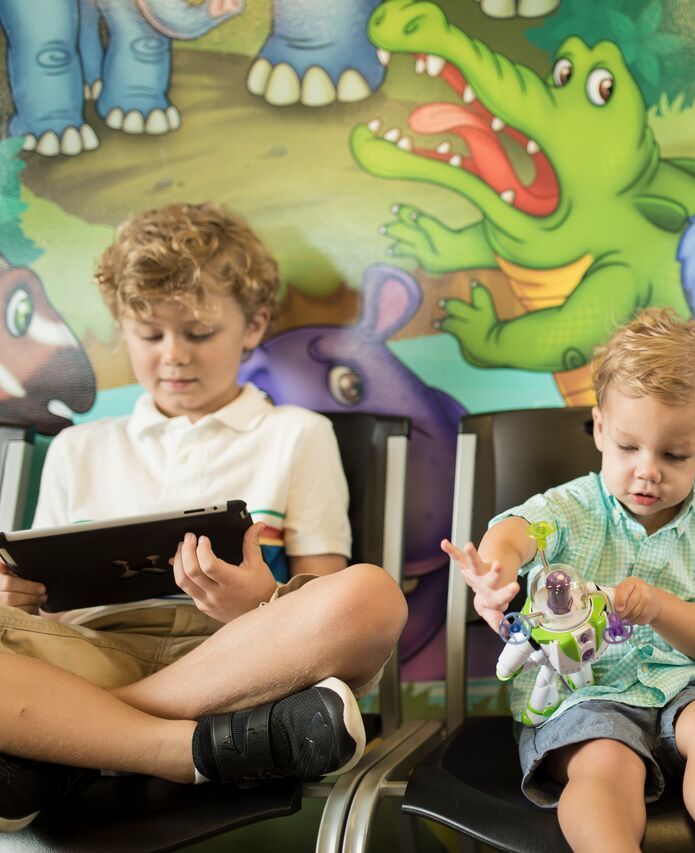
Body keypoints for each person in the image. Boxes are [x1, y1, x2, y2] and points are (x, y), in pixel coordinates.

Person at [0, 203, 408, 832]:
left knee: (372, 596)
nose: (173, 357)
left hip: (236, 657)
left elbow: (326, 587)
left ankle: (76, 735)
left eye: (198, 333)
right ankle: (166, 745)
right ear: (122, 328)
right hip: (93, 649)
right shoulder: (79, 448)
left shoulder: (296, 435)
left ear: (253, 326)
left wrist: (261, 603)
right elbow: (47, 615)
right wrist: (16, 598)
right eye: (150, 334)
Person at [442, 308, 695, 853]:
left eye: (673, 455)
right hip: (583, 697)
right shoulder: (573, 508)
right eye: (628, 447)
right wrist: (499, 566)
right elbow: (519, 528)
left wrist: (659, 608)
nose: (647, 470)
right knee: (604, 760)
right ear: (600, 428)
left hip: (682, 687)